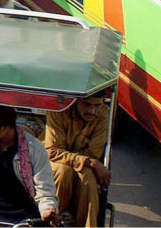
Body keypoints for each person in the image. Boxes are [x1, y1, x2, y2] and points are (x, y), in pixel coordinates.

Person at [45, 96, 111, 227]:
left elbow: (93, 153)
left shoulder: (103, 114)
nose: (92, 111)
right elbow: (52, 151)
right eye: (87, 105)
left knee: (88, 179)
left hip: (82, 162)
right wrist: (88, 162)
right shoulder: (58, 110)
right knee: (63, 172)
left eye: (97, 106)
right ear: (76, 101)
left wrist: (87, 162)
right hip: (56, 161)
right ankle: (51, 221)